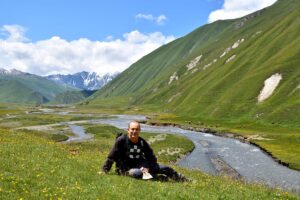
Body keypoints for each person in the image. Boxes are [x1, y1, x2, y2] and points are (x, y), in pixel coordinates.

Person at [102, 121, 188, 181]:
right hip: (125, 169)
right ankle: (159, 178)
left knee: (166, 168)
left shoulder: (142, 142)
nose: (134, 131)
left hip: (141, 166)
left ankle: (184, 180)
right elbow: (111, 156)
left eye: (136, 129)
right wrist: (104, 171)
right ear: (128, 130)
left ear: (139, 130)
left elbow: (151, 157)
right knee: (136, 173)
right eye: (132, 129)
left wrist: (148, 167)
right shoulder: (121, 140)